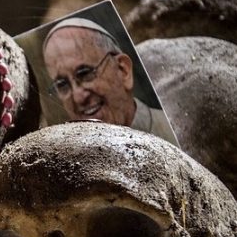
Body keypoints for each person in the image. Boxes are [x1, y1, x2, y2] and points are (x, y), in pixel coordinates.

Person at [42, 17, 176, 143]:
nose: (78, 97)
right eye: (62, 85)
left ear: (123, 70)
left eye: (85, 74)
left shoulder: (174, 129)